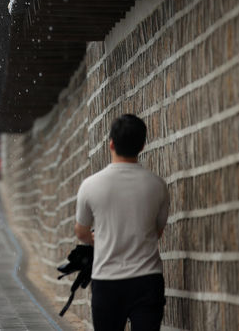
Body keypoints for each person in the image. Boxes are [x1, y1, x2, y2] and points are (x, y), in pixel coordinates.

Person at [75, 114, 170, 331]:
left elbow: (81, 232)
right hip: (147, 280)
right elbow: (157, 231)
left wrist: (100, 238)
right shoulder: (157, 185)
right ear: (143, 145)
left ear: (111, 144)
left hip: (107, 281)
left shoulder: (90, 186)